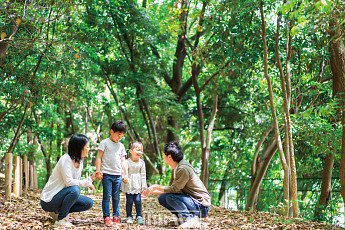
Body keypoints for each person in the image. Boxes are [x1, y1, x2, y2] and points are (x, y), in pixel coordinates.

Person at [142, 141, 211, 229]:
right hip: (192, 202)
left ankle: (190, 219)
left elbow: (173, 190)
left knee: (170, 197)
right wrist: (149, 192)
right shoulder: (176, 168)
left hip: (201, 205)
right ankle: (183, 218)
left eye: (164, 154)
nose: (163, 156)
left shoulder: (183, 168)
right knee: (163, 198)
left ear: (169, 157)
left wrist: (155, 186)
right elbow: (169, 190)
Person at [40, 134, 103, 227]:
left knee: (88, 203)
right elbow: (69, 182)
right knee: (75, 190)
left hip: (61, 196)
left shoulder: (80, 162)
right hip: (49, 201)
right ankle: (61, 219)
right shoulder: (65, 159)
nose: (89, 149)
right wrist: (87, 183)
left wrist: (91, 179)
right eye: (87, 147)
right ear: (79, 148)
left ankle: (58, 212)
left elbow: (75, 181)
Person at [96, 120, 128, 226]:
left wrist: (125, 174)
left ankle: (116, 216)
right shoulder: (104, 143)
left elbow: (123, 161)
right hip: (107, 174)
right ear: (111, 131)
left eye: (122, 136)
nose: (119, 137)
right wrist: (98, 170)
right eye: (118, 135)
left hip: (118, 175)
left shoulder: (121, 146)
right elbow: (99, 157)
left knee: (116, 196)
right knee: (107, 196)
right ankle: (106, 217)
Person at [121, 141, 147, 225]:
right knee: (129, 201)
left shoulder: (142, 163)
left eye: (141, 150)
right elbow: (124, 172)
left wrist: (143, 185)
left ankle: (139, 216)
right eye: (137, 149)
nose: (140, 152)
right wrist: (124, 178)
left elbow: (143, 174)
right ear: (130, 151)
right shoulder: (127, 161)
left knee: (138, 200)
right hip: (129, 184)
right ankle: (129, 216)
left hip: (138, 184)